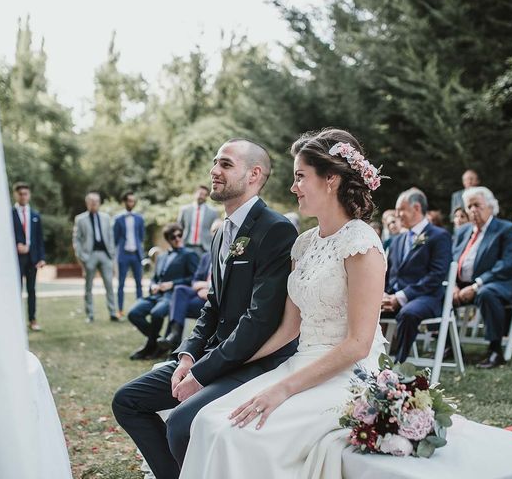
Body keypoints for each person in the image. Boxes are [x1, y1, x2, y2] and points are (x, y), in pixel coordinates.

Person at [179, 129, 387, 479]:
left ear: (331, 179)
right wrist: (223, 367)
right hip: (297, 362)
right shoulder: (304, 244)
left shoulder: (361, 243)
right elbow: (288, 329)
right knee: (208, 421)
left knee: (237, 435)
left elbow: (358, 344)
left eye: (300, 177)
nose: (293, 188)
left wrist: (282, 389)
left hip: (347, 375)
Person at [112, 138, 298, 479]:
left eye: (226, 164)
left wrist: (201, 373)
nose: (214, 171)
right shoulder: (220, 233)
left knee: (182, 423)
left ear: (254, 174)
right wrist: (187, 356)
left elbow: (259, 320)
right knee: (127, 400)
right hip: (212, 354)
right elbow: (212, 305)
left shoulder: (276, 230)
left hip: (254, 363)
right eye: (215, 162)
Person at [453, 186, 512, 369]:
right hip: (462, 285)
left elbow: (506, 266)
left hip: (498, 283)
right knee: (437, 293)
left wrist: (475, 286)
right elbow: (450, 260)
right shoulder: (462, 232)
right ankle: (450, 345)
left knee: (486, 293)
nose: (473, 210)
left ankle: (495, 350)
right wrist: (452, 285)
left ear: (491, 206)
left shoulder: (507, 230)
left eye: (477, 205)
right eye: (469, 206)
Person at [382, 188, 452, 363]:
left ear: (417, 208)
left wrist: (401, 297)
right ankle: (370, 362)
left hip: (427, 297)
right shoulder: (398, 240)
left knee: (408, 313)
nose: (398, 215)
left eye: (401, 210)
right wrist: (384, 295)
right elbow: (389, 273)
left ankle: (398, 365)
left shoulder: (439, 236)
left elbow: (436, 275)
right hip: (394, 297)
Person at [127, 223, 199, 360]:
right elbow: (155, 278)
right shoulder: (161, 257)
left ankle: (150, 346)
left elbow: (193, 278)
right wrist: (153, 285)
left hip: (172, 296)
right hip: (155, 295)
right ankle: (158, 342)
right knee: (133, 313)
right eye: (173, 237)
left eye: (180, 235)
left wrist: (172, 284)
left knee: (157, 313)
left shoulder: (190, 255)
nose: (177, 239)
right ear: (168, 239)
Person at [156, 220, 223, 354]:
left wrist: (209, 288)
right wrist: (202, 286)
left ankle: (174, 344)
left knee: (177, 305)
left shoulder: (228, 255)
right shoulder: (206, 257)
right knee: (179, 291)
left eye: (219, 230)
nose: (216, 233)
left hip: (216, 301)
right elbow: (194, 281)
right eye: (214, 231)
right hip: (199, 298)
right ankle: (175, 337)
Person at [72, 192, 117, 323]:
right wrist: (82, 256)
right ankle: (90, 314)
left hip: (105, 255)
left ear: (99, 203)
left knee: (109, 284)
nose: (94, 204)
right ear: (87, 203)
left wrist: (112, 254)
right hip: (89, 256)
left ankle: (113, 312)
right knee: (88, 287)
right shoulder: (80, 219)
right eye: (91, 202)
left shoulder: (106, 218)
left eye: (96, 201)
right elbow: (77, 239)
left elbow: (111, 237)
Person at [12, 182, 46, 331]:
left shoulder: (35, 215)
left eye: (26, 193)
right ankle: (16, 320)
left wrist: (41, 257)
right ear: (16, 195)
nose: (23, 196)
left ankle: (32, 319)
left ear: (29, 195)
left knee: (31, 290)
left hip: (32, 258)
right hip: (16, 259)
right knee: (16, 289)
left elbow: (39, 238)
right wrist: (15, 246)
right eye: (20, 194)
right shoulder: (9, 214)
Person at [113, 191, 145, 317]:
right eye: (129, 200)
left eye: (133, 201)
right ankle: (120, 310)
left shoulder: (139, 218)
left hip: (136, 255)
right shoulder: (118, 219)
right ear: (124, 202)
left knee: (139, 283)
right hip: (123, 255)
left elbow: (141, 237)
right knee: (121, 284)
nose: (131, 203)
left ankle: (140, 310)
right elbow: (115, 239)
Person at [177, 185, 219, 256]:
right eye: (200, 194)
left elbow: (215, 231)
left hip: (204, 248)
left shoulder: (213, 212)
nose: (201, 196)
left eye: (204, 195)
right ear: (195, 194)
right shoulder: (185, 210)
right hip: (186, 246)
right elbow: (179, 228)